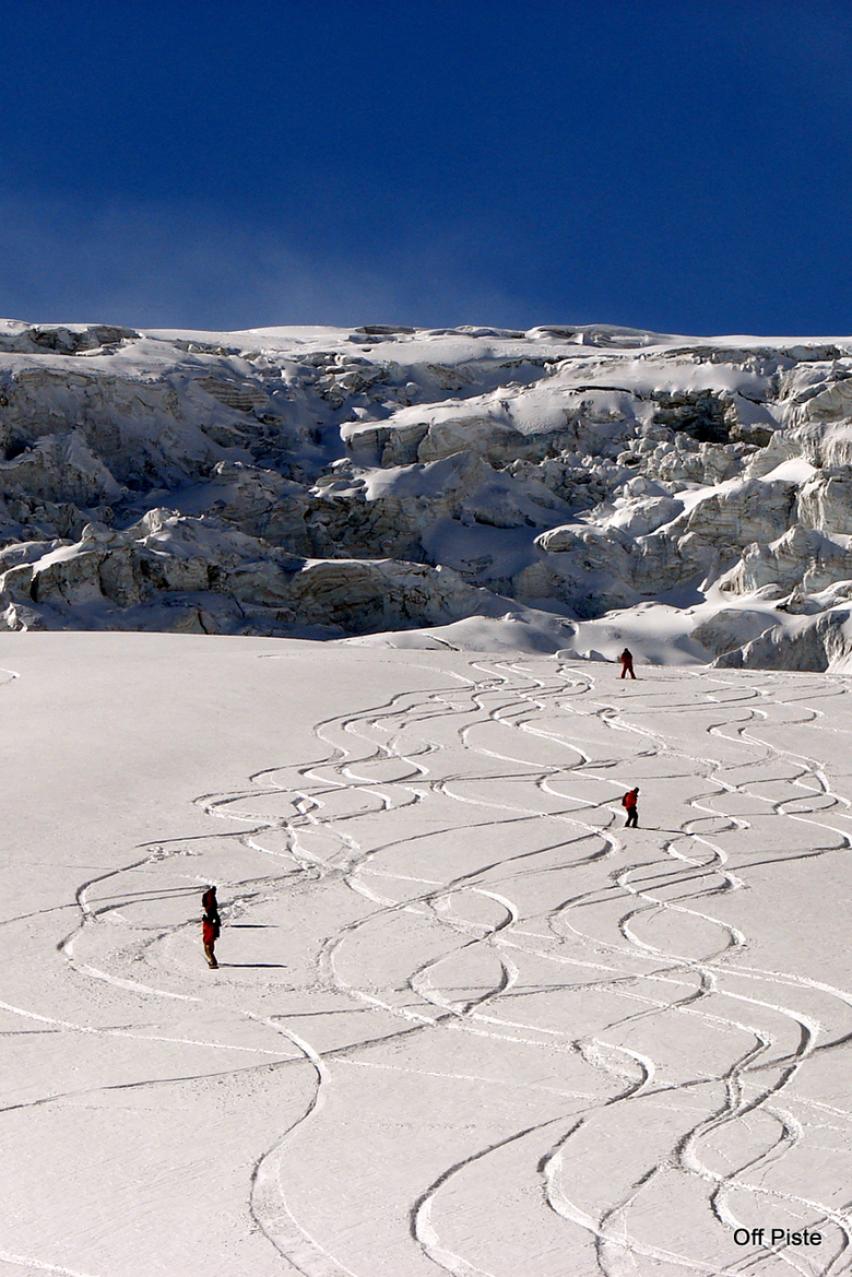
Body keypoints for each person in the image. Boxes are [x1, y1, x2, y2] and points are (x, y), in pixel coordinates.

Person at [201, 885, 221, 969]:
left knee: (208, 949)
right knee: (209, 949)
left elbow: (209, 928)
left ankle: (213, 962)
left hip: (209, 935)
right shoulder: (210, 895)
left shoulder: (210, 914)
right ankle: (212, 960)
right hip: (210, 934)